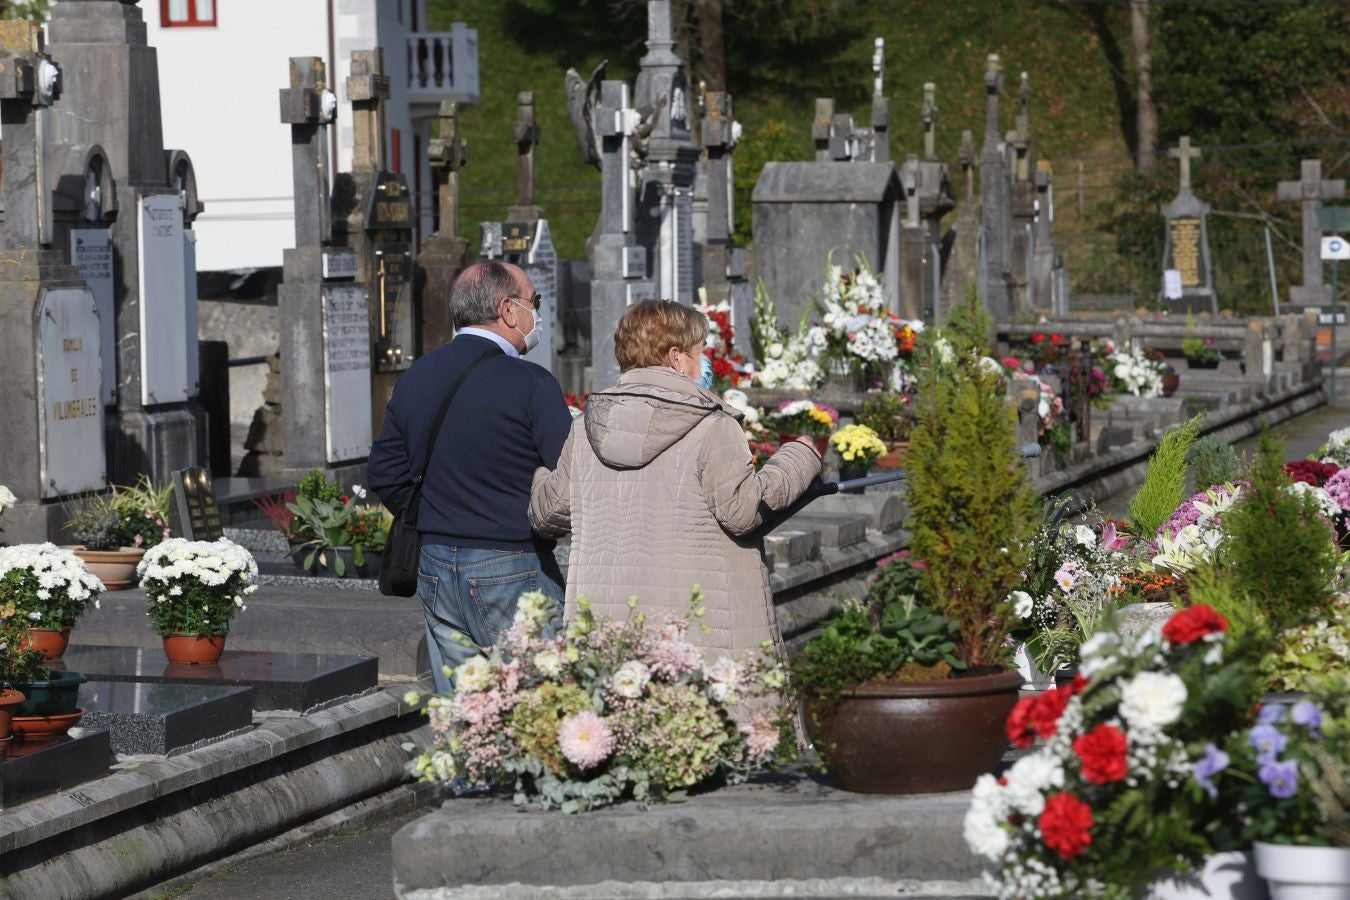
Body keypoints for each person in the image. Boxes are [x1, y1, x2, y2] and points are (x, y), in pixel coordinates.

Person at [529, 299, 822, 659]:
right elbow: (743, 512)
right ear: (676, 358)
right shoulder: (712, 425)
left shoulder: (585, 428)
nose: (705, 361)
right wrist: (798, 456)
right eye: (700, 351)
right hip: (699, 628)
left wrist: (539, 474)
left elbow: (548, 514)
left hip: (611, 628)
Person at [368, 260, 571, 693]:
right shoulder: (531, 382)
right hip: (512, 559)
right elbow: (568, 474)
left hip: (435, 561)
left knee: (465, 712)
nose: (537, 313)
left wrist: (437, 514)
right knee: (538, 707)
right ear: (508, 309)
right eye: (534, 301)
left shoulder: (419, 374)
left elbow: (385, 471)